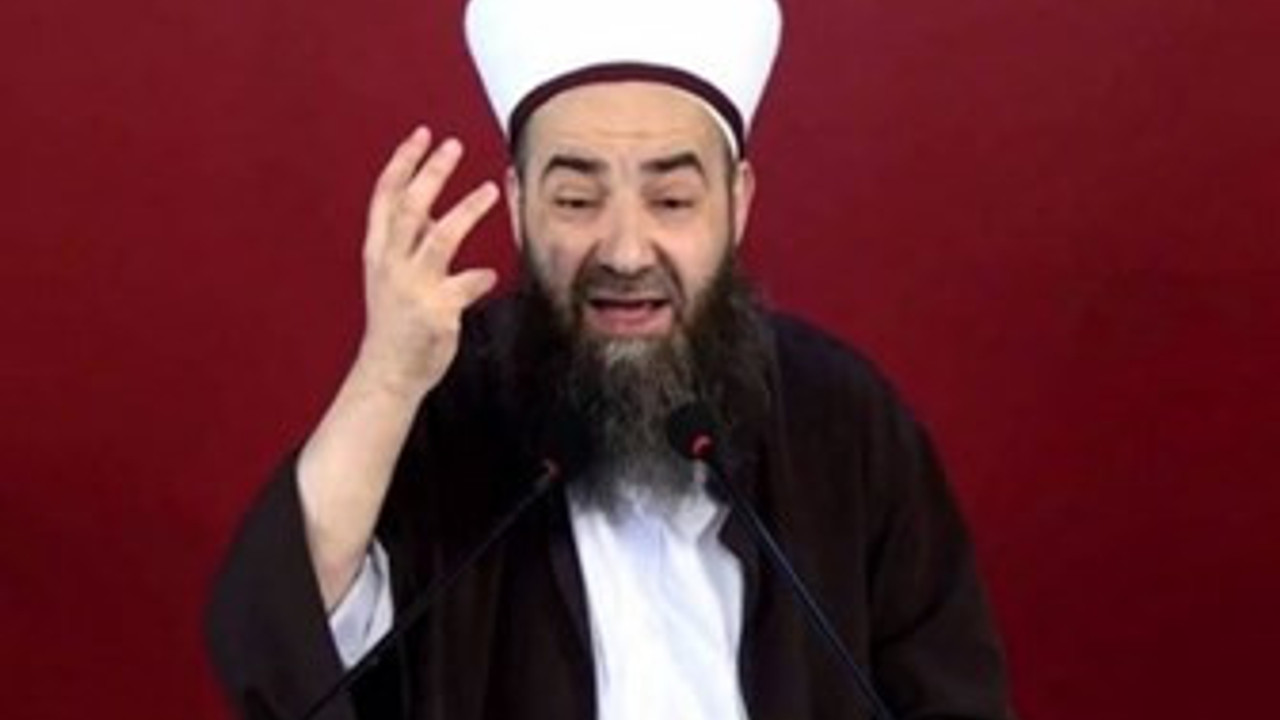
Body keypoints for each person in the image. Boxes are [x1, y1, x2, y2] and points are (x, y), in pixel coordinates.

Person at [206, 0, 1015, 718]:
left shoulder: (842, 420)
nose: (626, 251)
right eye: (575, 200)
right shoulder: (439, 405)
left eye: (671, 200)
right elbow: (279, 663)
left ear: (738, 203)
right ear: (518, 207)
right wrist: (385, 380)